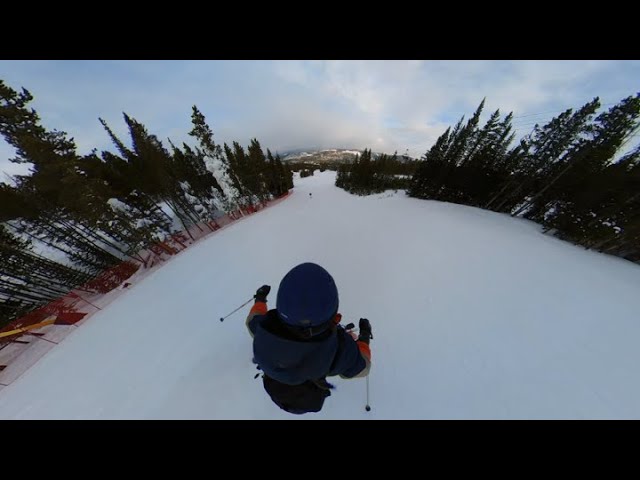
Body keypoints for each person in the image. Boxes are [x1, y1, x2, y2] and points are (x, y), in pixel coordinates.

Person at [246, 262, 372, 414]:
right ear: (335, 318)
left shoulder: (262, 329)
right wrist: (364, 338)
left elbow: (253, 318)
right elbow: (363, 367)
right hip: (307, 392)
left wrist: (260, 299)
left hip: (275, 386)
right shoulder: (340, 349)